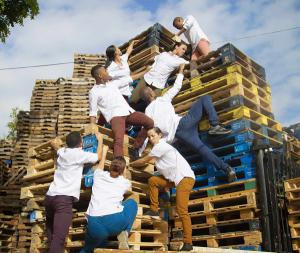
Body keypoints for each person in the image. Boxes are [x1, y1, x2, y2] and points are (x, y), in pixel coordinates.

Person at [141, 65, 236, 182]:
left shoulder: (146, 114)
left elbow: (149, 133)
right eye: (152, 90)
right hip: (184, 123)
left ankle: (227, 169)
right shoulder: (162, 99)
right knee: (204, 98)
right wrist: (180, 71)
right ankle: (214, 125)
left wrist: (142, 151)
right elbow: (176, 87)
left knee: (202, 149)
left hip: (180, 135)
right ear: (151, 94)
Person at [131, 127, 195, 251]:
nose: (151, 138)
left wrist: (131, 164)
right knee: (153, 180)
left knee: (182, 211)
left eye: (153, 135)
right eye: (149, 137)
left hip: (185, 179)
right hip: (175, 179)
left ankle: (188, 243)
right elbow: (151, 158)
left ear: (159, 135)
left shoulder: (161, 146)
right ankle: (154, 209)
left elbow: (145, 160)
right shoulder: (157, 150)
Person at [44, 131, 104, 253]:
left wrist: (54, 144)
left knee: (52, 235)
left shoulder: (63, 152)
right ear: (80, 143)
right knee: (59, 238)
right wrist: (101, 140)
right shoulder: (79, 154)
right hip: (63, 201)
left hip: (49, 198)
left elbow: (57, 148)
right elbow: (98, 157)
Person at [80, 147, 138, 253]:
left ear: (110, 166)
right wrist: (124, 168)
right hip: (115, 223)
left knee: (87, 249)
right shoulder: (124, 183)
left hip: (95, 225)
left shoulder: (98, 175)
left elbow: (100, 166)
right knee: (132, 203)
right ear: (123, 170)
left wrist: (105, 151)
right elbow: (124, 176)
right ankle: (124, 233)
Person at [89, 64, 154, 158]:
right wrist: (93, 128)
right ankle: (118, 162)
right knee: (119, 140)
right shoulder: (94, 92)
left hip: (128, 112)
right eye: (105, 71)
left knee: (149, 122)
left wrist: (145, 71)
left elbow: (129, 78)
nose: (108, 73)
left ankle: (136, 147)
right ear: (100, 75)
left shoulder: (112, 83)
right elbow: (93, 112)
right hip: (116, 117)